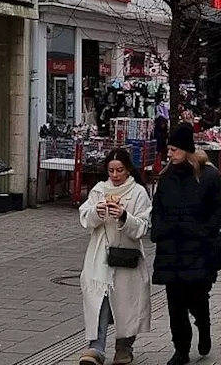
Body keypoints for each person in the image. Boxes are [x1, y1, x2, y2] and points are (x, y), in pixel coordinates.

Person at [151, 126, 221, 365]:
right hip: (171, 248)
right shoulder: (166, 177)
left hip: (198, 249)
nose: (170, 154)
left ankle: (203, 326)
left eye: (174, 149)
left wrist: (205, 231)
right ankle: (181, 350)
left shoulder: (208, 176)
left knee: (197, 298)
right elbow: (158, 209)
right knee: (175, 304)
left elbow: (219, 209)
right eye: (169, 149)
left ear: (186, 150)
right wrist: (159, 231)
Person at [78, 148, 153, 365]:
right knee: (98, 299)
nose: (115, 175)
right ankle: (96, 347)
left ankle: (124, 347)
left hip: (127, 254)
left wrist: (123, 217)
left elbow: (142, 227)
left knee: (126, 302)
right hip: (100, 254)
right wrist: (96, 213)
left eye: (120, 170)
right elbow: (85, 218)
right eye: (111, 170)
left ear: (128, 169)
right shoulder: (99, 190)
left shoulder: (138, 192)